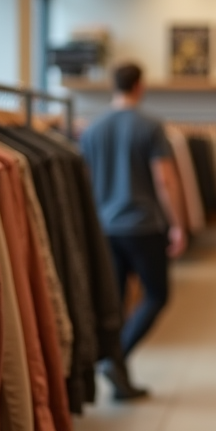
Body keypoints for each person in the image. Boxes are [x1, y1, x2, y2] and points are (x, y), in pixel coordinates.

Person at [80, 62, 186, 398]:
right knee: (157, 295)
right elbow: (165, 180)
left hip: (105, 227)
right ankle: (118, 357)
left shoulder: (93, 129)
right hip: (143, 226)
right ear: (139, 85)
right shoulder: (151, 126)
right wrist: (179, 225)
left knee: (117, 302)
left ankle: (120, 378)